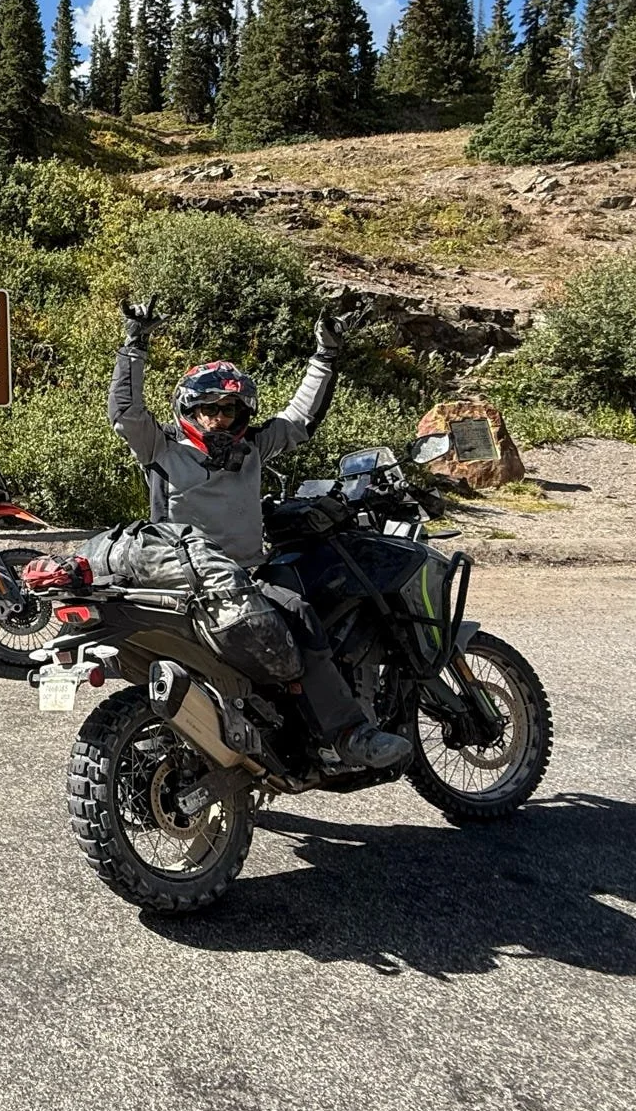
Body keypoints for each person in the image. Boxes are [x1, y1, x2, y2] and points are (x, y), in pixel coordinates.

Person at [108, 297, 412, 772]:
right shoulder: (162, 447)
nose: (219, 419)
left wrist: (326, 353)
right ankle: (350, 733)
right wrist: (134, 343)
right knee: (300, 616)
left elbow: (299, 420)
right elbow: (127, 412)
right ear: (189, 409)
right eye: (208, 409)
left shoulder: (251, 448)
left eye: (229, 409)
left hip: (244, 574)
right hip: (190, 580)